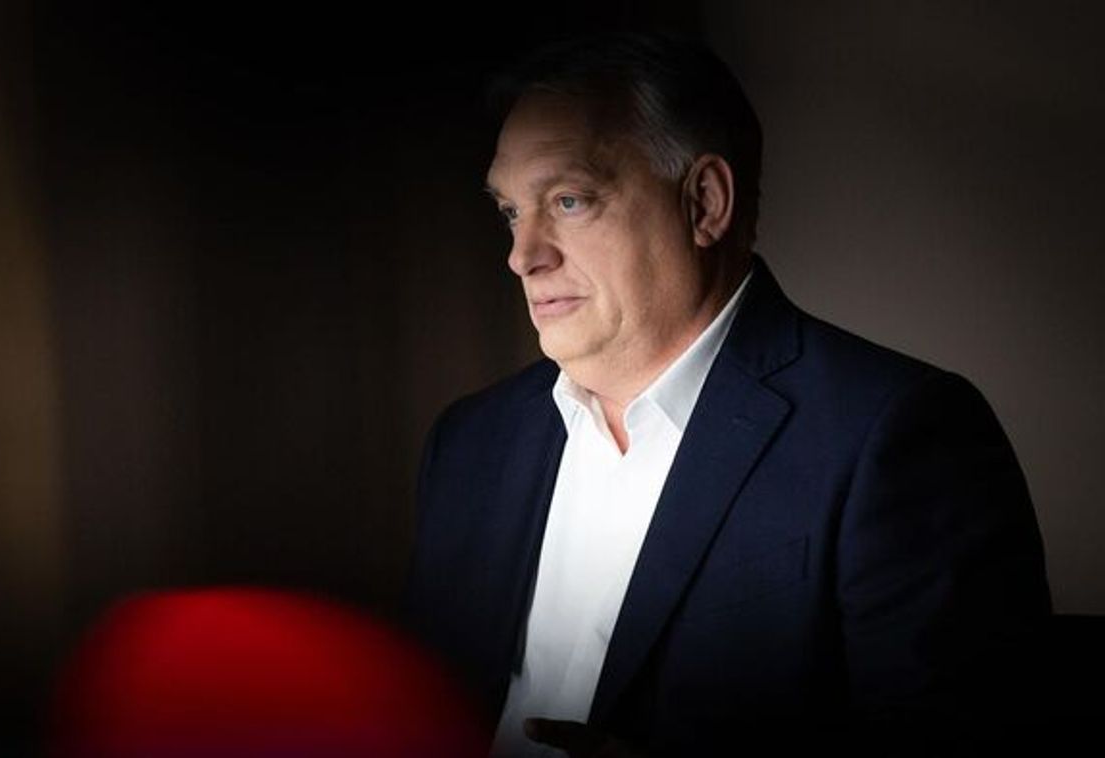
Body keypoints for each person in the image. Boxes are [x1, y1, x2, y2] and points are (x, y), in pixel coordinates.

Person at [402, 32, 1051, 757]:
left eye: (570, 200)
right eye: (510, 212)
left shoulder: (900, 435)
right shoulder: (469, 442)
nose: (523, 255)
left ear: (704, 203)